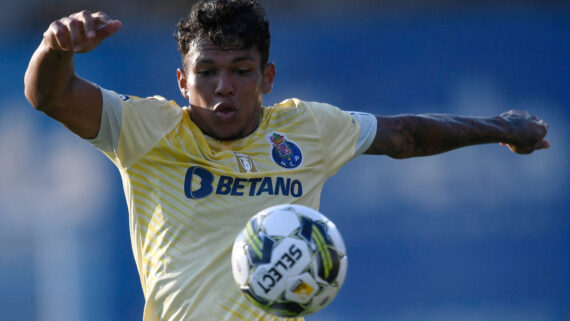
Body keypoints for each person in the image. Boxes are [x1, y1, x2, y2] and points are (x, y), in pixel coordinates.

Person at [24, 0, 549, 320]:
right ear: (182, 81)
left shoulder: (305, 129)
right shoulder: (145, 129)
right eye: (206, 72)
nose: (223, 88)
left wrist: (503, 128)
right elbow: (50, 95)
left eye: (242, 71)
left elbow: (404, 135)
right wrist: (55, 46)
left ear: (268, 79)